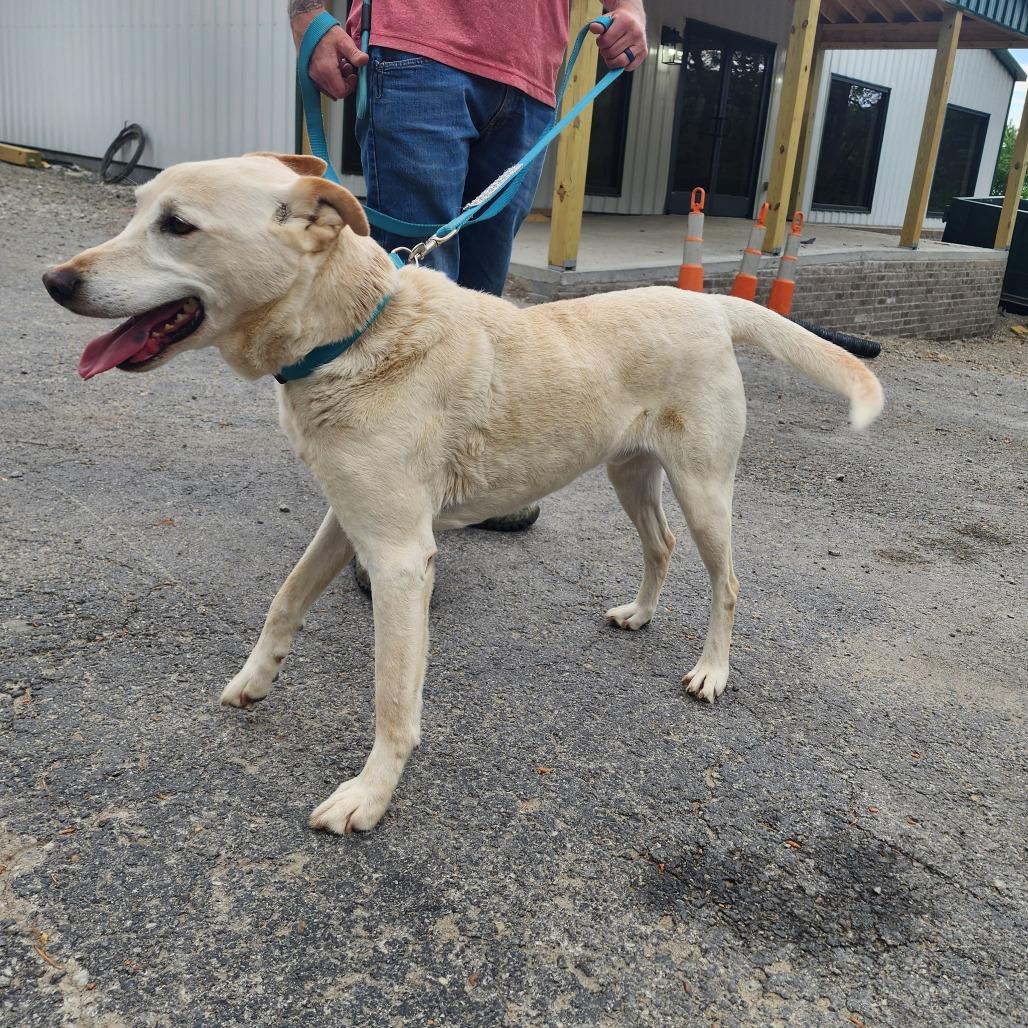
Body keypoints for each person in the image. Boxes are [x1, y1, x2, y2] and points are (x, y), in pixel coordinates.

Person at [287, 0, 648, 589]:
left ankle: (465, 480)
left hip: (532, 71)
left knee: (481, 304)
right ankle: (388, 516)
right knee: (407, 308)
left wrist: (628, 6)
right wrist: (307, 15)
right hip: (418, 47)